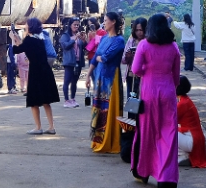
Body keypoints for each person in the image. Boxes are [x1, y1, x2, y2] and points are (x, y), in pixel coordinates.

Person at [130, 13, 181, 188]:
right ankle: (166, 178)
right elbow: (176, 77)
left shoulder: (144, 45)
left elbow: (136, 69)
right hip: (168, 92)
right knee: (168, 133)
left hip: (149, 93)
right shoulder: (174, 47)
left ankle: (144, 172)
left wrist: (148, 69)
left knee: (147, 131)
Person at [11, 17, 60, 135]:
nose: (25, 26)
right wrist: (18, 40)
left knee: (33, 101)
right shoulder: (41, 39)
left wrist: (13, 39)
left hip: (35, 72)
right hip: (45, 71)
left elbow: (16, 50)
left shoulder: (29, 39)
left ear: (30, 26)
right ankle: (51, 126)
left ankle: (38, 127)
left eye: (26, 24)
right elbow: (26, 47)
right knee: (46, 101)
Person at [85, 12, 125, 153]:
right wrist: (88, 75)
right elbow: (96, 57)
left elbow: (106, 58)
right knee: (98, 108)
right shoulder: (103, 39)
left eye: (106, 20)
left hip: (111, 79)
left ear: (113, 22)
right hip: (100, 78)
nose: (104, 22)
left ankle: (110, 141)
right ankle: (98, 140)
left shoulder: (119, 40)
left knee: (108, 109)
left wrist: (101, 57)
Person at [176, 76, 206, 168]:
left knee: (167, 132)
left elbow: (169, 120)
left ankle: (184, 156)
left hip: (192, 140)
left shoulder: (182, 104)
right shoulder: (185, 100)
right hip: (193, 138)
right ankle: (183, 155)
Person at [59, 18, 87, 108]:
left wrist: (83, 40)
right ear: (70, 25)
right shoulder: (66, 35)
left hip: (78, 61)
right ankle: (66, 100)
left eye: (78, 25)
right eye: (74, 24)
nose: (76, 26)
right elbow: (65, 46)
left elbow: (84, 47)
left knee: (74, 82)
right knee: (67, 81)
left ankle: (73, 99)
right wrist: (74, 38)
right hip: (69, 62)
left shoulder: (78, 35)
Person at [122, 17, 147, 98]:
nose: (139, 33)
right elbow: (123, 60)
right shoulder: (131, 40)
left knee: (143, 100)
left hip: (144, 75)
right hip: (131, 75)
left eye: (141, 30)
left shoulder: (149, 41)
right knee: (131, 100)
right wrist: (128, 56)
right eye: (136, 30)